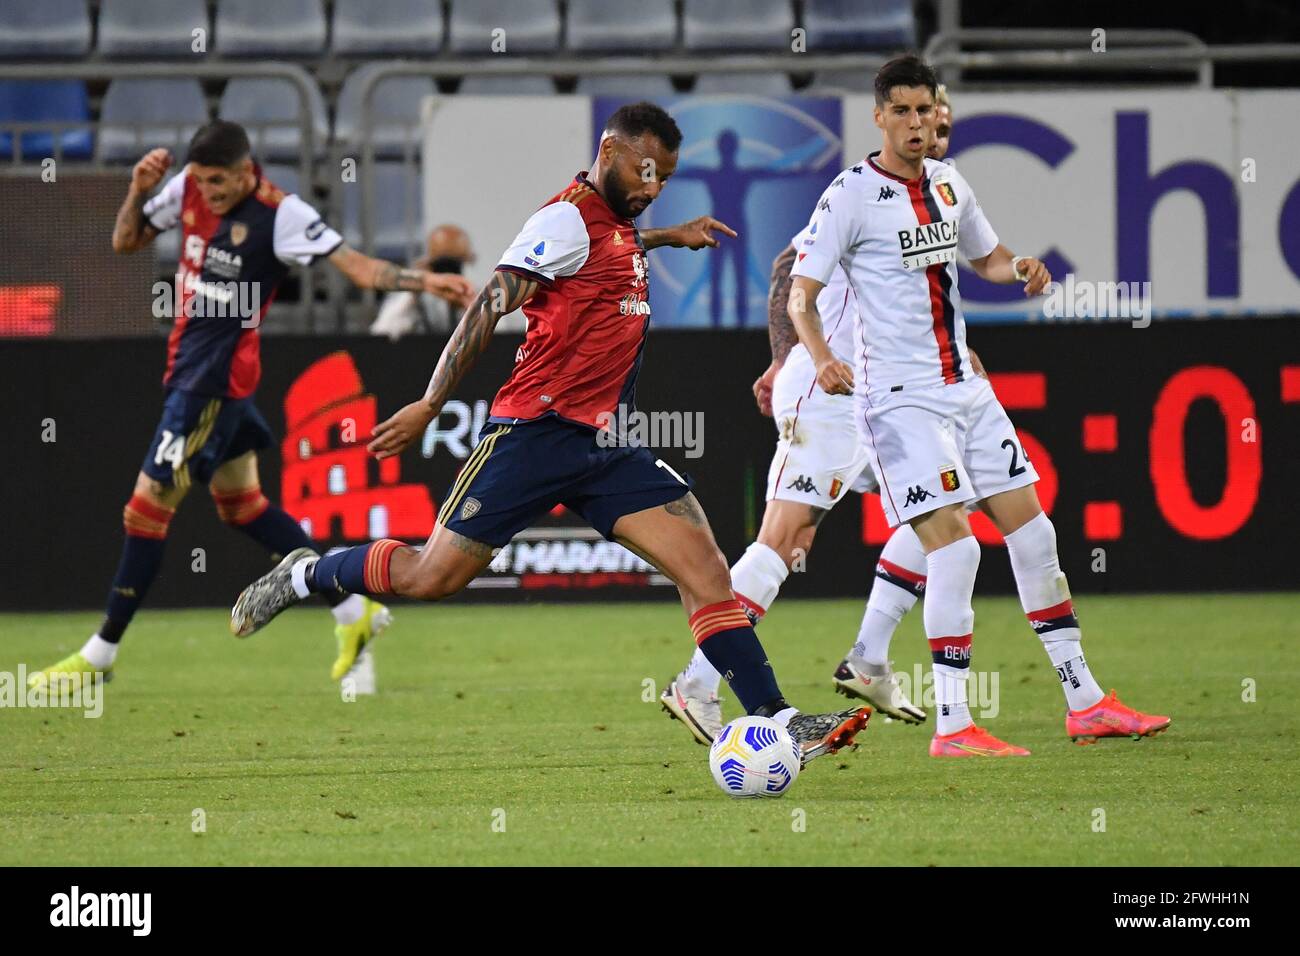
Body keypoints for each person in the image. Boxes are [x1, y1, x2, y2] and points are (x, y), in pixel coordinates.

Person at [231, 102, 870, 764]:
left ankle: (778, 717)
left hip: (604, 447)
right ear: (607, 150)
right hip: (533, 436)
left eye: (665, 178)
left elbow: (606, 251)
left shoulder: (618, 227)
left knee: (706, 567)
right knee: (430, 577)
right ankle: (306, 574)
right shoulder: (563, 218)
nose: (652, 187)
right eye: (644, 171)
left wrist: (664, 235)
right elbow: (491, 301)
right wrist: (429, 401)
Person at [789, 56, 1169, 756]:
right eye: (899, 111)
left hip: (968, 387)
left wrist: (1018, 268)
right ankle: (955, 725)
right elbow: (800, 296)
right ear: (878, 116)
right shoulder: (848, 195)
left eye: (924, 109)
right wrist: (820, 357)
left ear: (938, 112)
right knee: (957, 550)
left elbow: (986, 259)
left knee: (1035, 536)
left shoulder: (949, 182)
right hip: (899, 401)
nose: (914, 123)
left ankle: (1084, 701)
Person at [28, 120, 474, 689]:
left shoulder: (281, 214)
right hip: (199, 374)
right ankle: (349, 609)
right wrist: (139, 189)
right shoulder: (187, 186)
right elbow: (127, 241)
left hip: (210, 384)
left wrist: (424, 282)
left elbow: (358, 267)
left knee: (144, 512)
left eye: (219, 182)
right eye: (202, 181)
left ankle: (100, 655)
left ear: (247, 171)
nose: (208, 192)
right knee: (242, 507)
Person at [659, 81, 977, 744]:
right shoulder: (861, 194)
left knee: (942, 512)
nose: (931, 136)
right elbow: (786, 264)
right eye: (918, 120)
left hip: (883, 391)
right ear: (888, 122)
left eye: (941, 127)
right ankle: (696, 681)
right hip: (830, 389)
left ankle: (867, 656)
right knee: (784, 538)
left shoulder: (940, 198)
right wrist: (784, 360)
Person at [371, 224, 482, 339]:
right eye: (441, 266)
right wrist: (416, 286)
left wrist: (471, 305)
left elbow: (496, 336)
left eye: (454, 266)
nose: (448, 273)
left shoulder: (475, 295)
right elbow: (381, 330)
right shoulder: (415, 297)